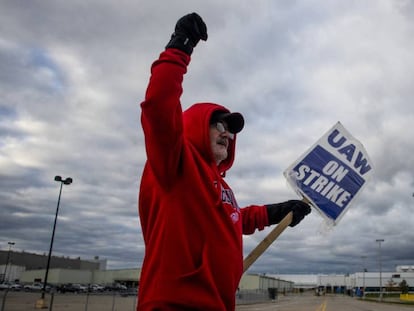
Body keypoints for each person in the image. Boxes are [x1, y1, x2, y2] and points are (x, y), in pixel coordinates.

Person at [138, 12, 311, 311]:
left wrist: (276, 212)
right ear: (194, 125)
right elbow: (158, 106)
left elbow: (233, 220)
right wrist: (179, 47)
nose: (227, 133)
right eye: (218, 124)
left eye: (230, 129)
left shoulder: (218, 185)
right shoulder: (174, 162)